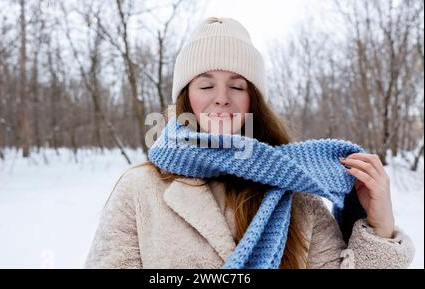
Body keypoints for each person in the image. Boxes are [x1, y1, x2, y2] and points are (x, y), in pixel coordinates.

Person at [85, 17, 414, 269]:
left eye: (237, 87)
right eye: (205, 85)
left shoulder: (294, 191)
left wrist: (380, 227)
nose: (222, 99)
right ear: (186, 98)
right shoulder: (139, 188)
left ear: (253, 101)